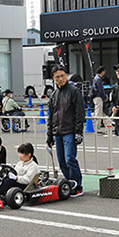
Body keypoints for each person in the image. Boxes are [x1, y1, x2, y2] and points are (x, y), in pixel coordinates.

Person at [46, 65, 86, 196]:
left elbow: (80, 113)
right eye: (57, 77)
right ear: (53, 78)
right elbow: (50, 116)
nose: (60, 79)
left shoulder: (74, 91)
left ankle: (77, 185)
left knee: (70, 159)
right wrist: (49, 135)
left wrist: (78, 132)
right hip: (57, 132)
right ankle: (68, 184)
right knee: (62, 161)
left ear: (66, 75)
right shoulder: (53, 95)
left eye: (62, 76)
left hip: (70, 131)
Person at [92, 66, 108, 131]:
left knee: (101, 112)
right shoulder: (98, 79)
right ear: (102, 72)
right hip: (98, 97)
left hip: (96, 97)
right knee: (98, 113)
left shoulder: (95, 78)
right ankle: (97, 128)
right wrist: (105, 97)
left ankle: (106, 126)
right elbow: (101, 89)